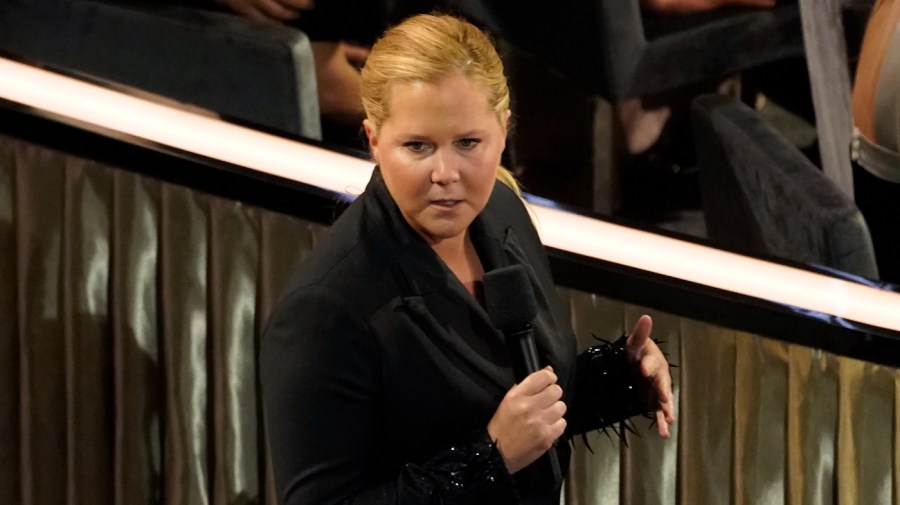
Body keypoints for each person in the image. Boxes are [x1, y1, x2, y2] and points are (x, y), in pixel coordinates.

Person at [259, 13, 676, 505]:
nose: (445, 173)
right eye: (417, 146)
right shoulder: (324, 308)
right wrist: (491, 457)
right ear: (374, 140)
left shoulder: (501, 211)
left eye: (468, 143)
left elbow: (515, 397)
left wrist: (621, 377)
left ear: (503, 131)